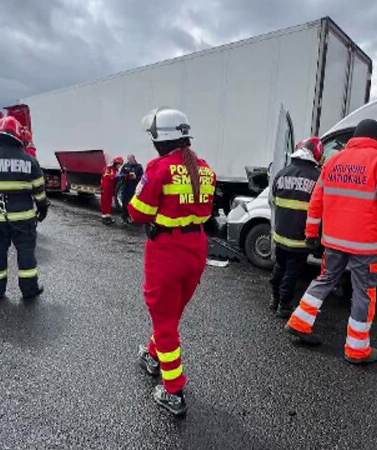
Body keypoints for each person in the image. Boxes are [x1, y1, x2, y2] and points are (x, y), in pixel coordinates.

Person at [285, 119, 377, 364]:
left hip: (333, 240)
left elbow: (317, 201)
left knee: (325, 279)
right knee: (363, 293)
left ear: (355, 137)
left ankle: (300, 321)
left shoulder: (333, 161)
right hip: (364, 246)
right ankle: (357, 349)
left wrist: (311, 234)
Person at [129, 107, 216, 417]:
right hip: (196, 250)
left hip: (166, 251)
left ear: (159, 140)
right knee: (171, 313)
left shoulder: (159, 168)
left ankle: (173, 390)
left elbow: (137, 212)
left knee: (165, 322)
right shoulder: (206, 169)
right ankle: (155, 356)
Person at [0, 116, 49, 302]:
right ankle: (29, 290)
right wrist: (42, 208)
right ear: (18, 136)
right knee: (26, 255)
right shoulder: (30, 161)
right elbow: (39, 190)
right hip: (24, 219)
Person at [269, 137, 323, 317]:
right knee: (292, 272)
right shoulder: (317, 178)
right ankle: (284, 306)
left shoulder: (282, 173)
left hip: (280, 233)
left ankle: (274, 299)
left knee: (279, 267)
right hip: (301, 237)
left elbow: (274, 201)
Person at [119, 154, 144, 223]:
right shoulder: (126, 166)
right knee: (124, 203)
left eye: (131, 159)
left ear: (134, 159)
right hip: (126, 186)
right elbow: (120, 174)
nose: (129, 161)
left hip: (134, 187)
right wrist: (125, 176)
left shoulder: (139, 167)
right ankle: (124, 217)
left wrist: (135, 177)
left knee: (133, 204)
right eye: (128, 159)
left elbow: (142, 178)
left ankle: (133, 217)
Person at [100, 156, 124, 224]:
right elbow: (106, 177)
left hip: (110, 188)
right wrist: (114, 176)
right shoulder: (108, 169)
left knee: (109, 202)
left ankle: (109, 217)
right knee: (105, 202)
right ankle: (104, 218)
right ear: (116, 163)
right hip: (105, 187)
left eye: (120, 165)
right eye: (119, 164)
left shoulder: (116, 170)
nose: (119, 166)